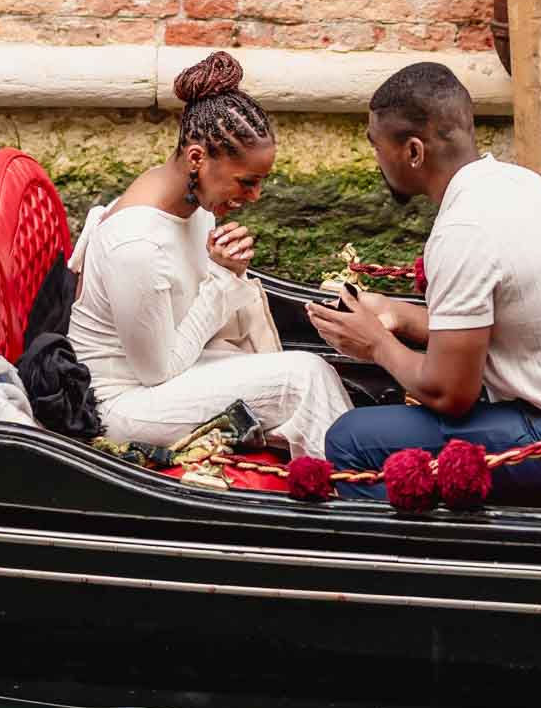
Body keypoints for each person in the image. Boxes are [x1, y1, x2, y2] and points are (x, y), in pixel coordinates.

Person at [307, 61, 541, 505]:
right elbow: (496, 325)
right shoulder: (522, 185)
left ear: (413, 152)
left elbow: (450, 393)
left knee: (351, 439)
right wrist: (398, 315)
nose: (375, 159)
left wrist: (375, 343)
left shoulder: (463, 231)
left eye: (375, 146)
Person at [66, 51, 352, 460]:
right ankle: (356, 493)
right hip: (121, 403)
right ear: (197, 157)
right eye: (246, 182)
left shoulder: (191, 204)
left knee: (298, 372)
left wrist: (226, 273)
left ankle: (332, 478)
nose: (254, 197)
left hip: (170, 373)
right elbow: (157, 371)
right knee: (303, 377)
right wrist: (224, 280)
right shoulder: (136, 245)